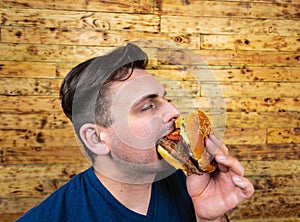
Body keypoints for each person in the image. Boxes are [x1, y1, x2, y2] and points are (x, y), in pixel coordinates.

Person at [17, 43, 254, 222]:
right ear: (96, 139)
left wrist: (210, 218)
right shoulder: (53, 216)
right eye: (147, 106)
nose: (174, 111)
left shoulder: (190, 186)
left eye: (165, 99)